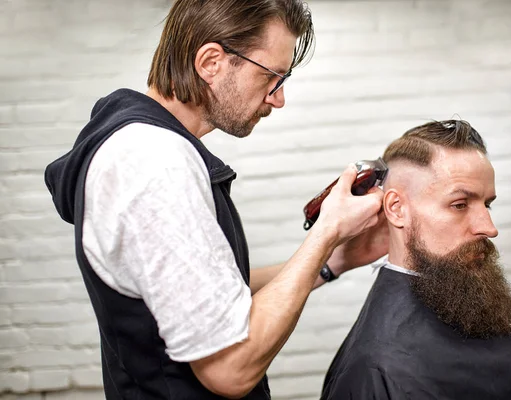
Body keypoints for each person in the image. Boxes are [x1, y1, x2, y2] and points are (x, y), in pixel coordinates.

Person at [44, 1, 387, 399]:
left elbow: (217, 298)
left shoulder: (143, 148)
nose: (278, 99)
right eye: (272, 77)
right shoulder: (154, 163)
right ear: (211, 62)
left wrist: (333, 261)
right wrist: (326, 231)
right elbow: (230, 369)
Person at [321, 120, 511, 400]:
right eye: (460, 205)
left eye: (487, 204)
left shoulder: (468, 293)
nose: (489, 228)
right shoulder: (376, 365)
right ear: (397, 209)